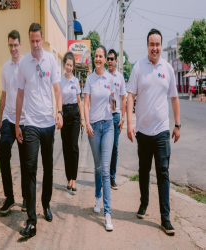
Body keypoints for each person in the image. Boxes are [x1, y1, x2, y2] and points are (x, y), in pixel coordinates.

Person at [127, 28, 181, 235]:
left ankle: (165, 218)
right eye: (152, 44)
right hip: (142, 131)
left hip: (161, 132)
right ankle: (143, 203)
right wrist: (130, 124)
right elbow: (130, 96)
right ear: (147, 45)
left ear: (161, 46)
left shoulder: (168, 68)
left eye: (158, 44)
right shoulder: (138, 67)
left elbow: (174, 98)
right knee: (143, 171)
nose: (155, 48)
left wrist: (177, 125)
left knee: (163, 173)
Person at [16, 22, 63, 238]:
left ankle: (46, 204)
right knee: (30, 168)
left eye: (37, 41)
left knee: (48, 168)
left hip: (48, 123)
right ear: (29, 40)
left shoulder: (51, 60)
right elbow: (19, 95)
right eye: (32, 41)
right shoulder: (24, 63)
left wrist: (59, 111)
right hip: (31, 124)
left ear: (42, 39)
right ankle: (32, 221)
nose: (35, 44)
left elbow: (57, 90)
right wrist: (17, 123)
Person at [84, 45, 115, 231]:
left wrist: (114, 108)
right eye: (96, 56)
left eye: (101, 56)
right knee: (97, 167)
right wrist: (87, 123)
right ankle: (97, 196)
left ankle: (107, 214)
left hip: (108, 125)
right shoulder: (89, 79)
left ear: (105, 60)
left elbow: (112, 100)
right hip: (93, 127)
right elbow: (86, 102)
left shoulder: (110, 78)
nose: (98, 58)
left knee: (105, 169)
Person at [0, 30, 27, 215]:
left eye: (16, 44)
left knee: (26, 161)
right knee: (3, 157)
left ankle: (26, 197)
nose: (13, 48)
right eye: (10, 45)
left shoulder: (26, 65)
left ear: (20, 45)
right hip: (8, 119)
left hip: (24, 121)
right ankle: (9, 198)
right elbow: (3, 94)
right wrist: (1, 118)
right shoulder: (5, 67)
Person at [60, 52, 85, 193]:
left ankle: (74, 179)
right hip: (64, 114)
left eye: (71, 65)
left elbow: (79, 101)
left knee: (74, 146)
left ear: (73, 66)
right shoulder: (60, 81)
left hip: (75, 114)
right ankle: (68, 177)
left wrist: (82, 118)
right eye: (67, 65)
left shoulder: (76, 81)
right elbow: (58, 100)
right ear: (64, 65)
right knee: (66, 147)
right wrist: (58, 115)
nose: (69, 67)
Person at [107, 49, 126, 190]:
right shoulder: (103, 75)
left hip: (115, 116)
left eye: (112, 59)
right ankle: (104, 177)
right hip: (104, 115)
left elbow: (123, 98)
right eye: (108, 58)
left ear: (116, 61)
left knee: (114, 148)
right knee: (104, 148)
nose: (109, 61)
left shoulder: (120, 77)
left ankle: (112, 178)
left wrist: (123, 119)